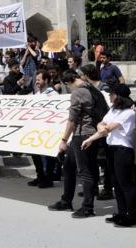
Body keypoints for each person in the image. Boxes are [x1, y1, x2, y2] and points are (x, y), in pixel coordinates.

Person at [82, 83, 136, 227]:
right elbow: (101, 124)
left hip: (123, 151)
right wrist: (101, 129)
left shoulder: (128, 113)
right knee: (116, 184)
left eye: (112, 93)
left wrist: (96, 134)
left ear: (119, 96)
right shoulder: (114, 110)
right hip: (111, 149)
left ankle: (131, 216)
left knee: (126, 184)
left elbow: (107, 127)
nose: (110, 96)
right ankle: (121, 213)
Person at [48, 70, 102, 218]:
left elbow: (72, 120)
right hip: (86, 134)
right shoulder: (91, 88)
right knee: (69, 167)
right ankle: (66, 200)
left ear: (67, 82)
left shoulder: (78, 92)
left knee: (85, 171)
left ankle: (88, 207)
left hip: (83, 135)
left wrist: (64, 140)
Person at [29, 70, 58, 189]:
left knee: (49, 155)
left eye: (39, 80)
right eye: (36, 80)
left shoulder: (53, 95)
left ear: (46, 80)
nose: (36, 82)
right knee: (35, 154)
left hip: (49, 129)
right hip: (36, 129)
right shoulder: (36, 94)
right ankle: (40, 176)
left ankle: (49, 178)